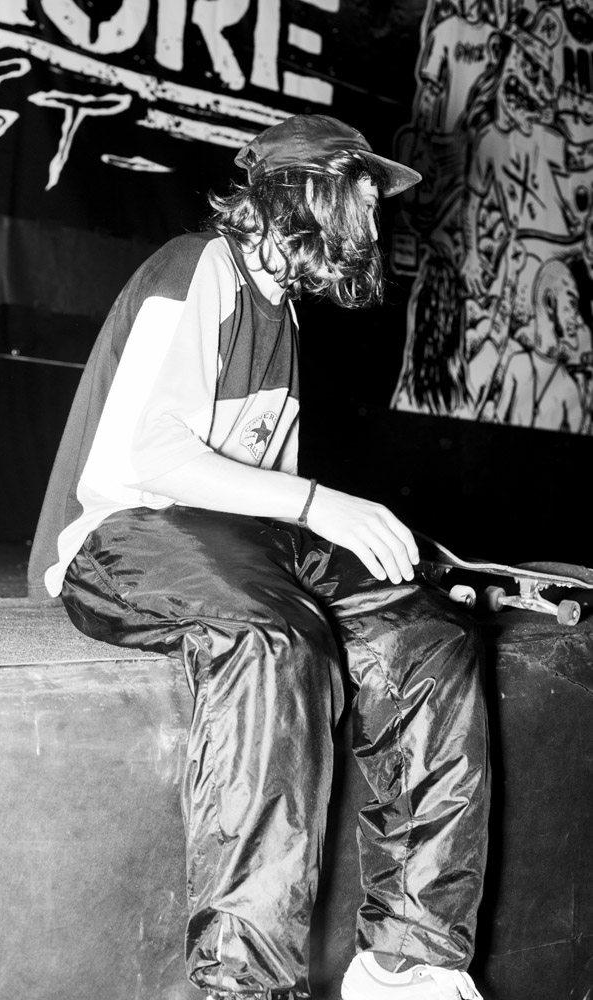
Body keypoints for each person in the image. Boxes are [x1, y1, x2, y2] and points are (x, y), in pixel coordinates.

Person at [28, 114, 489, 1000]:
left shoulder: (281, 310)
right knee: (276, 639)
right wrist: (320, 505)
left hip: (227, 538)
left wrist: (379, 553)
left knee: (429, 636)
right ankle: (244, 984)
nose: (372, 215)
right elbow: (155, 459)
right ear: (303, 189)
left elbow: (261, 497)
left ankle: (410, 959)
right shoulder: (195, 266)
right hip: (123, 533)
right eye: (360, 192)